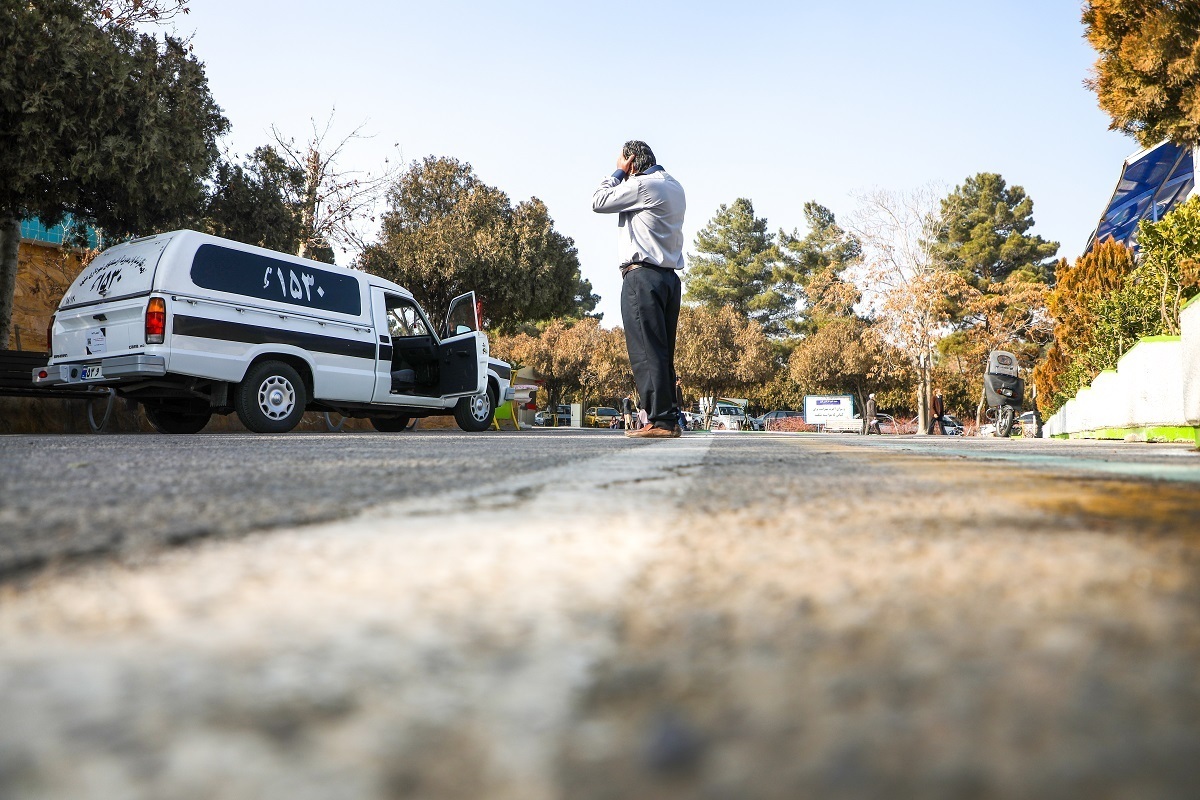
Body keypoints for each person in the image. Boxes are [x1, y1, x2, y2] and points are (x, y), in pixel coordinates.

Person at [593, 140, 686, 439]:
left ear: (632, 162)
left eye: (623, 161)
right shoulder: (674, 185)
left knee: (646, 352)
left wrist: (618, 173)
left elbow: (599, 200)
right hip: (669, 278)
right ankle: (668, 419)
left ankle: (657, 421)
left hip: (642, 276)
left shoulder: (644, 185)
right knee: (662, 352)